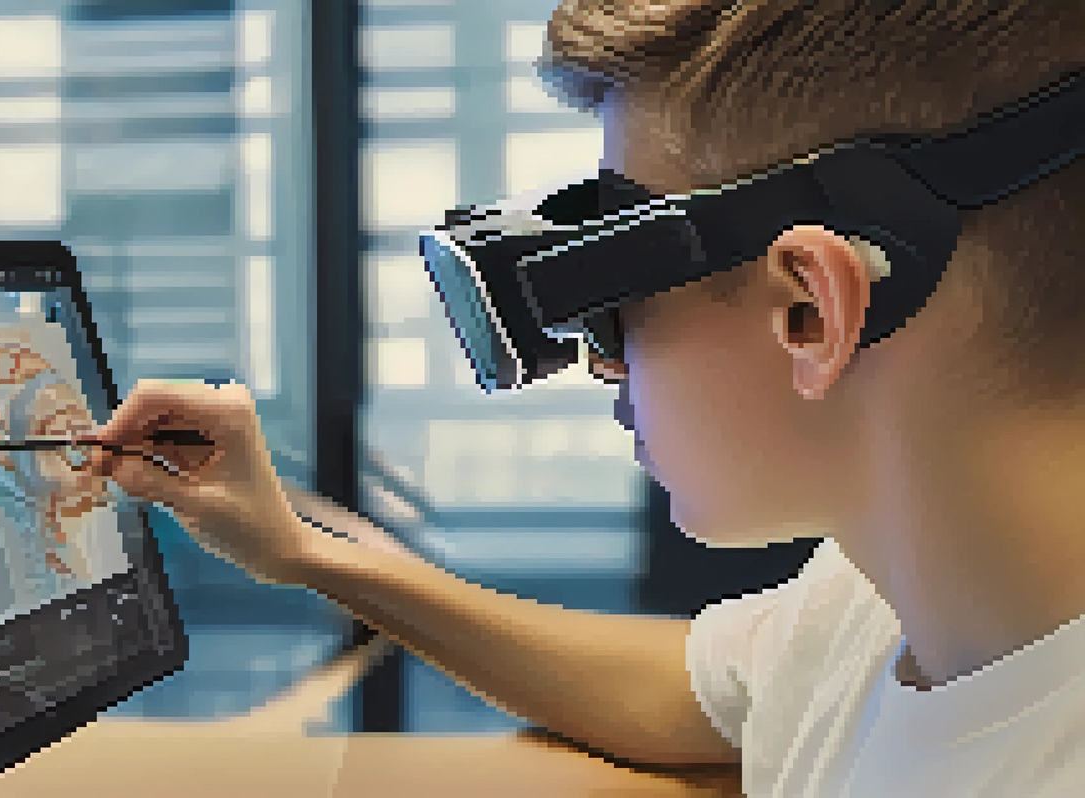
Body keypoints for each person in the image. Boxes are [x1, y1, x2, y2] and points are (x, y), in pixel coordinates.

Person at [80, 2, 1085, 796]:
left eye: (617, 300)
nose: (605, 365)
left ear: (810, 313)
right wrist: (303, 555)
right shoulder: (890, 597)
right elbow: (676, 690)